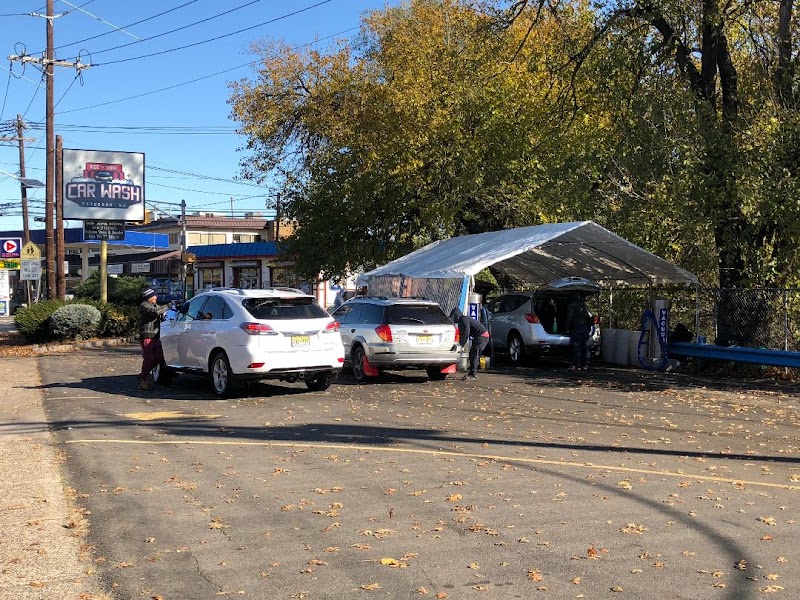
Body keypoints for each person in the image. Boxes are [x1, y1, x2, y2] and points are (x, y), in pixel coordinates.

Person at [138, 288, 167, 391]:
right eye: (154, 296)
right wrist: (168, 306)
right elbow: (156, 312)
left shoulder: (156, 305)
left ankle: (143, 374)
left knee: (159, 358)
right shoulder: (144, 306)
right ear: (149, 298)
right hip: (147, 336)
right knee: (148, 358)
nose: (156, 297)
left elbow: (161, 312)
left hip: (156, 335)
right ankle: (144, 380)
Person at [451, 307, 490, 380]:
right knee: (473, 354)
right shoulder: (462, 321)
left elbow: (466, 333)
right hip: (480, 337)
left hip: (482, 337)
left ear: (456, 316)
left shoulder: (463, 319)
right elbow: (463, 334)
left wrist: (461, 345)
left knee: (474, 355)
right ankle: (472, 372)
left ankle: (473, 374)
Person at [564, 292, 593, 371]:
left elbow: (570, 318)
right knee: (585, 346)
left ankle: (577, 365)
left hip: (577, 328)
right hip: (585, 328)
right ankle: (585, 364)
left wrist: (566, 328)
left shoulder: (572, 306)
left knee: (577, 346)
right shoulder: (584, 306)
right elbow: (590, 316)